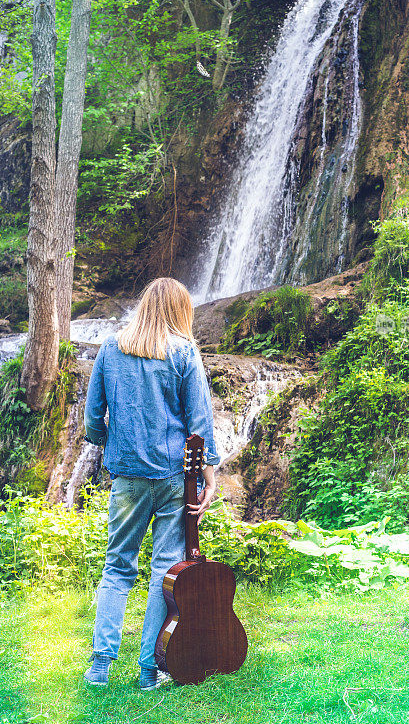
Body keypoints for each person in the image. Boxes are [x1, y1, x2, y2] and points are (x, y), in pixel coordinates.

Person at [83, 277, 220, 691]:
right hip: (174, 476)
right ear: (179, 310)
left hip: (128, 478)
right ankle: (149, 670)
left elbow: (93, 419)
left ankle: (100, 666)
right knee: (166, 570)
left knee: (117, 567)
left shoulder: (110, 347)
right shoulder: (184, 351)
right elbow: (200, 422)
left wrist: (115, 444)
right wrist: (208, 475)